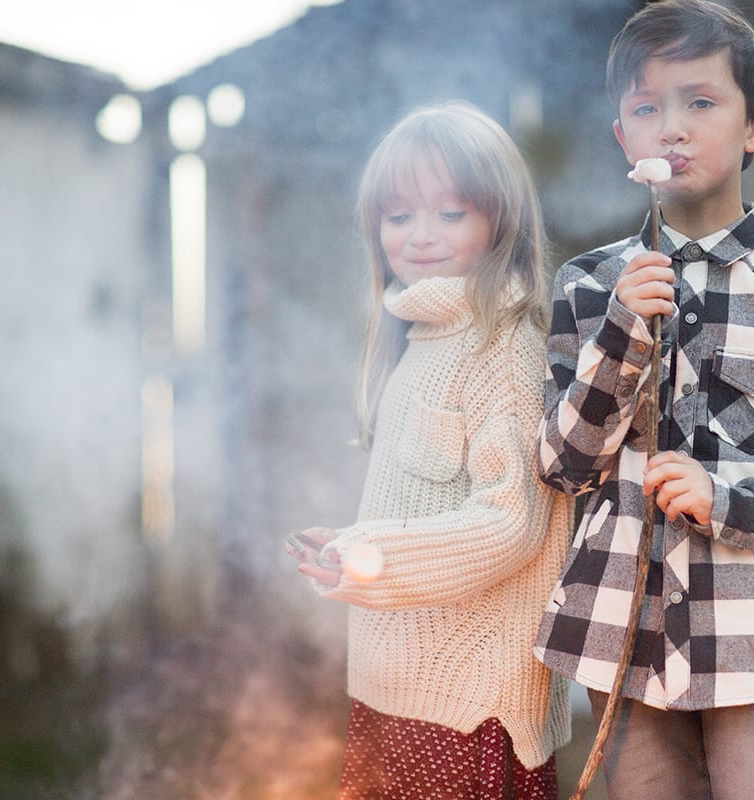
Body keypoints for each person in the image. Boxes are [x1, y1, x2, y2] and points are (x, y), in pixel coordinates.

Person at [532, 2, 754, 798]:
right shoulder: (590, 285)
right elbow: (561, 464)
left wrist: (729, 500)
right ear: (622, 139)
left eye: (700, 102)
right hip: (618, 629)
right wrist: (624, 328)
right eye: (646, 108)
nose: (672, 127)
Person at [285, 101, 571, 800]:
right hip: (395, 690)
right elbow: (420, 506)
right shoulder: (416, 341)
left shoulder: (502, 345)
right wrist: (352, 544)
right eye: (398, 215)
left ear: (500, 221)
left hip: (466, 709)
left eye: (451, 213)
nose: (419, 236)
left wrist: (373, 555)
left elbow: (513, 523)